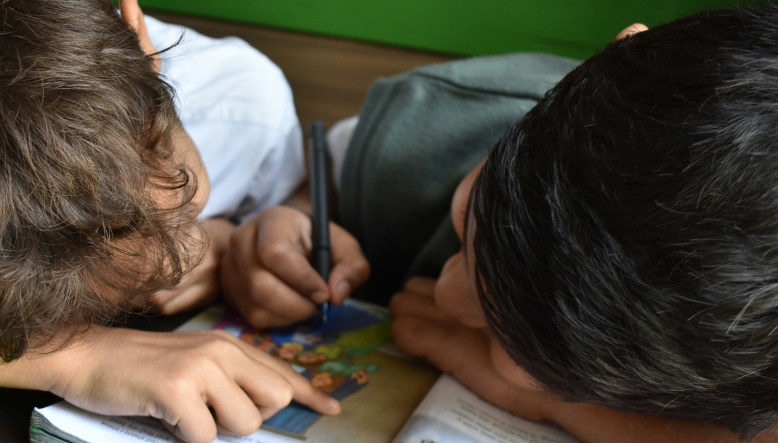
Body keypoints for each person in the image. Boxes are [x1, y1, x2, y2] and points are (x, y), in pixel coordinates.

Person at [316, 4, 778, 442]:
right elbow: (318, 176)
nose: (445, 293)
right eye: (468, 212)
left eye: (504, 340)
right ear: (625, 48)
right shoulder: (425, 126)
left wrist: (552, 405)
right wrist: (297, 215)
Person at [0, 1, 370, 442]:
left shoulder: (246, 112)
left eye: (184, 214)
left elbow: (295, 198)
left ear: (139, 39)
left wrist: (263, 229)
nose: (169, 266)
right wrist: (74, 359)